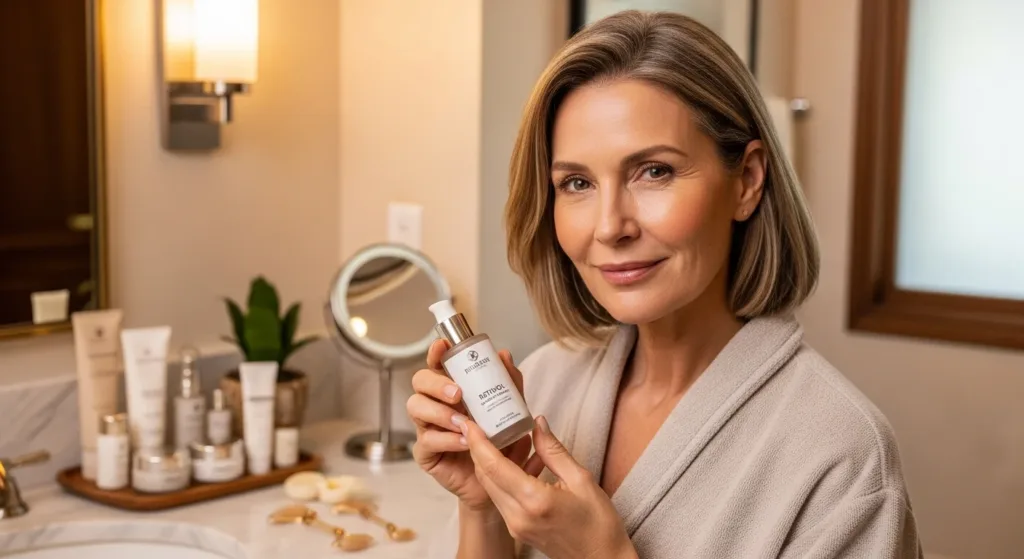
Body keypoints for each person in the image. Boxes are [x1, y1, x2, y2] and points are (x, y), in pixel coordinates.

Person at [407, 10, 922, 559]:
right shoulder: (542, 384)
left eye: (654, 171)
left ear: (747, 181)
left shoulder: (842, 456)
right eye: (577, 182)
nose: (610, 227)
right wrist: (483, 508)